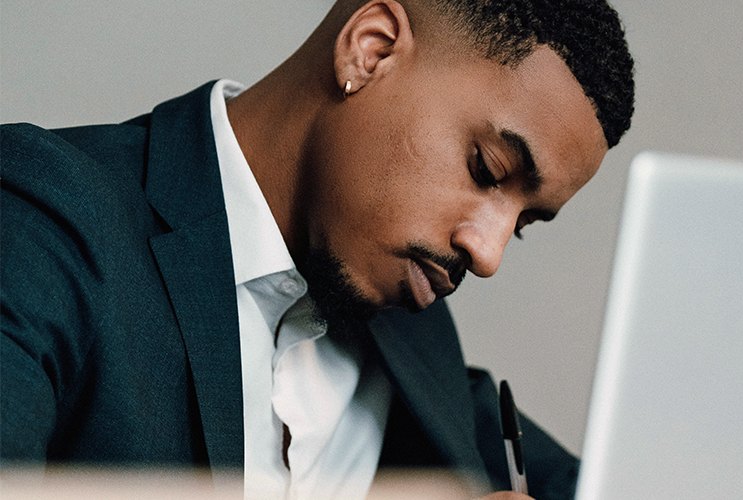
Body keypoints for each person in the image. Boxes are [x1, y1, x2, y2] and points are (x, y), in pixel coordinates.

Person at [0, 0, 634, 498]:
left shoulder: (412, 335)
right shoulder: (41, 212)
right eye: (486, 169)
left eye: (523, 223)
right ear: (371, 51)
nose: (489, 253)